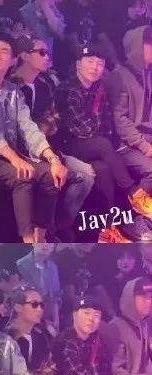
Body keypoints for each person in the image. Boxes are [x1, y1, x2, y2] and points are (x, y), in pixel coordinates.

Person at [0, 32, 67, 243]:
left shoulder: (14, 91)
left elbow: (28, 127)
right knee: (22, 174)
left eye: (4, 51)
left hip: (9, 155)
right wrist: (15, 159)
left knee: (51, 174)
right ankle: (27, 241)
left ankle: (41, 238)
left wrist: (52, 158)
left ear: (13, 60)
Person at [56, 44, 152, 242]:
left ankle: (107, 228)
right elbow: (84, 130)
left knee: (104, 170)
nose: (95, 67)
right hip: (69, 146)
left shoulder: (99, 88)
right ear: (78, 64)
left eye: (100, 64)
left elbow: (107, 125)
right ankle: (134, 193)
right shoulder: (68, 89)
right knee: (102, 144)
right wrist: (98, 127)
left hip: (96, 148)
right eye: (90, 61)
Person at [11, 36, 95, 241]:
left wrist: (47, 140)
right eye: (41, 52)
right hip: (20, 153)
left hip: (47, 148)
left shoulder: (44, 85)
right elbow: (16, 129)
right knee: (54, 175)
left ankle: (57, 227)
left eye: (48, 52)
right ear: (24, 55)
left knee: (87, 175)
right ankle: (44, 232)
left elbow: (54, 120)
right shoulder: (11, 86)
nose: (47, 57)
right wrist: (41, 131)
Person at [108, 26, 152, 197]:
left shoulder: (147, 73)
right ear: (138, 46)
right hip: (125, 145)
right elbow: (120, 120)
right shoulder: (119, 76)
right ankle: (137, 206)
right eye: (149, 43)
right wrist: (145, 147)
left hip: (146, 137)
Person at [16, 243, 61, 333]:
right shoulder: (20, 264)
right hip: (27, 316)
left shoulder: (53, 267)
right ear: (33, 242)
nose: (45, 245)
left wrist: (56, 318)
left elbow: (55, 295)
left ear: (53, 246)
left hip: (47, 316)